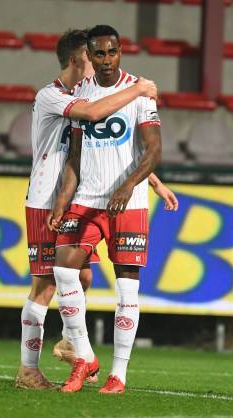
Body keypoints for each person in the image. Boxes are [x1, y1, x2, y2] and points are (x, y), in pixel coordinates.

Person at [16, 28, 177, 390]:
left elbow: (114, 152)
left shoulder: (88, 93)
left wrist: (152, 181)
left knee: (83, 277)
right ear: (79, 59)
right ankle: (31, 368)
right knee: (45, 285)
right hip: (48, 198)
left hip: (77, 196)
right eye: (93, 58)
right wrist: (137, 88)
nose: (100, 65)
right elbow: (92, 115)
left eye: (109, 54)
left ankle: (73, 342)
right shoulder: (57, 96)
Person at [49, 24, 162, 394]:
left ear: (120, 51)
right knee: (63, 269)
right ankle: (84, 357)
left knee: (126, 290)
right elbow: (75, 157)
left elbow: (154, 150)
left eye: (112, 52)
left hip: (128, 205)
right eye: (99, 53)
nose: (107, 59)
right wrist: (62, 201)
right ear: (90, 56)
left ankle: (118, 375)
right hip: (87, 200)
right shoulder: (82, 94)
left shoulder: (141, 93)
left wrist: (129, 186)